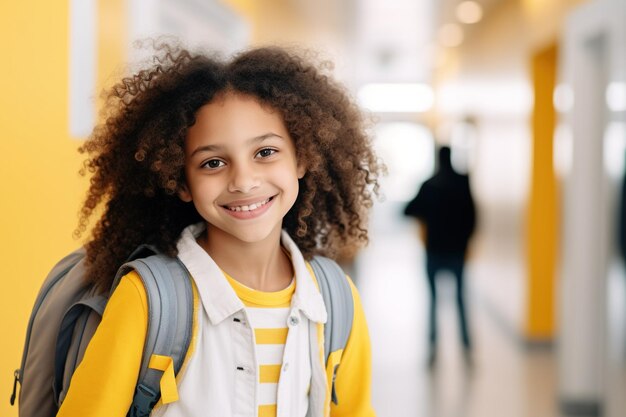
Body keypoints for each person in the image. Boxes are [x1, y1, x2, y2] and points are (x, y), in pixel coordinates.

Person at [58, 43, 382, 417]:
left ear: (302, 158)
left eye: (265, 153)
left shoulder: (336, 298)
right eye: (212, 162)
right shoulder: (147, 300)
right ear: (181, 182)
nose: (243, 181)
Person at [404, 146, 476, 366]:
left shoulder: (429, 185)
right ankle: (467, 349)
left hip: (433, 250)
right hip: (457, 252)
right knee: (461, 300)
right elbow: (473, 218)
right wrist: (465, 242)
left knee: (433, 301)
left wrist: (428, 215)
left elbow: (408, 210)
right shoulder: (463, 183)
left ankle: (433, 349)